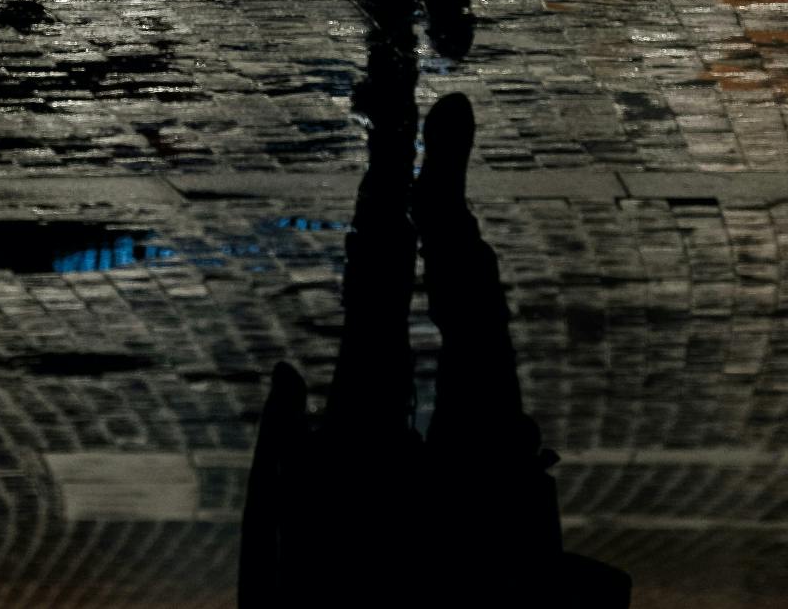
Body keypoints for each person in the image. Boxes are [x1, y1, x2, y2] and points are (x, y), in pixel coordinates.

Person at [238, 83, 631, 608]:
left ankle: (394, 166)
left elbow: (264, 587)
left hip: (360, 544)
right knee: (470, 347)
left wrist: (278, 448)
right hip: (466, 551)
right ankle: (435, 207)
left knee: (388, 333)